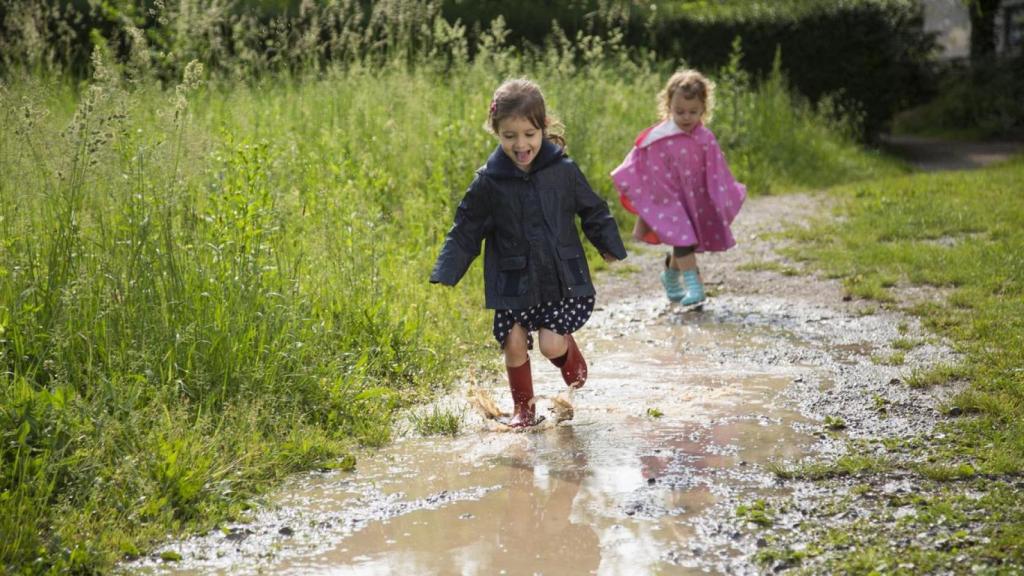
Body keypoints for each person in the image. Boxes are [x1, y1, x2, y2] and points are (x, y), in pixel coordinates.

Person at [430, 78, 627, 429]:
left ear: (543, 128)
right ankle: (524, 410)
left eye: (529, 135)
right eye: (509, 136)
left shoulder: (562, 171)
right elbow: (466, 227)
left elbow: (592, 209)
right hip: (512, 278)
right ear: (496, 132)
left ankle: (568, 353)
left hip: (558, 278)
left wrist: (608, 245)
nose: (521, 144)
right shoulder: (488, 182)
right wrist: (447, 269)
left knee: (551, 345)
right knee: (514, 343)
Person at [611, 69, 746, 306]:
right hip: (668, 199)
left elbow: (716, 168)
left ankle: (670, 278)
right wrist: (644, 192)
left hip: (696, 199)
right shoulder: (659, 137)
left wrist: (722, 195)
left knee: (687, 240)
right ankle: (695, 286)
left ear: (704, 109)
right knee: (682, 238)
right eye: (680, 111)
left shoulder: (705, 137)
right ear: (668, 105)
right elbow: (640, 163)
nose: (686, 117)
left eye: (693, 112)